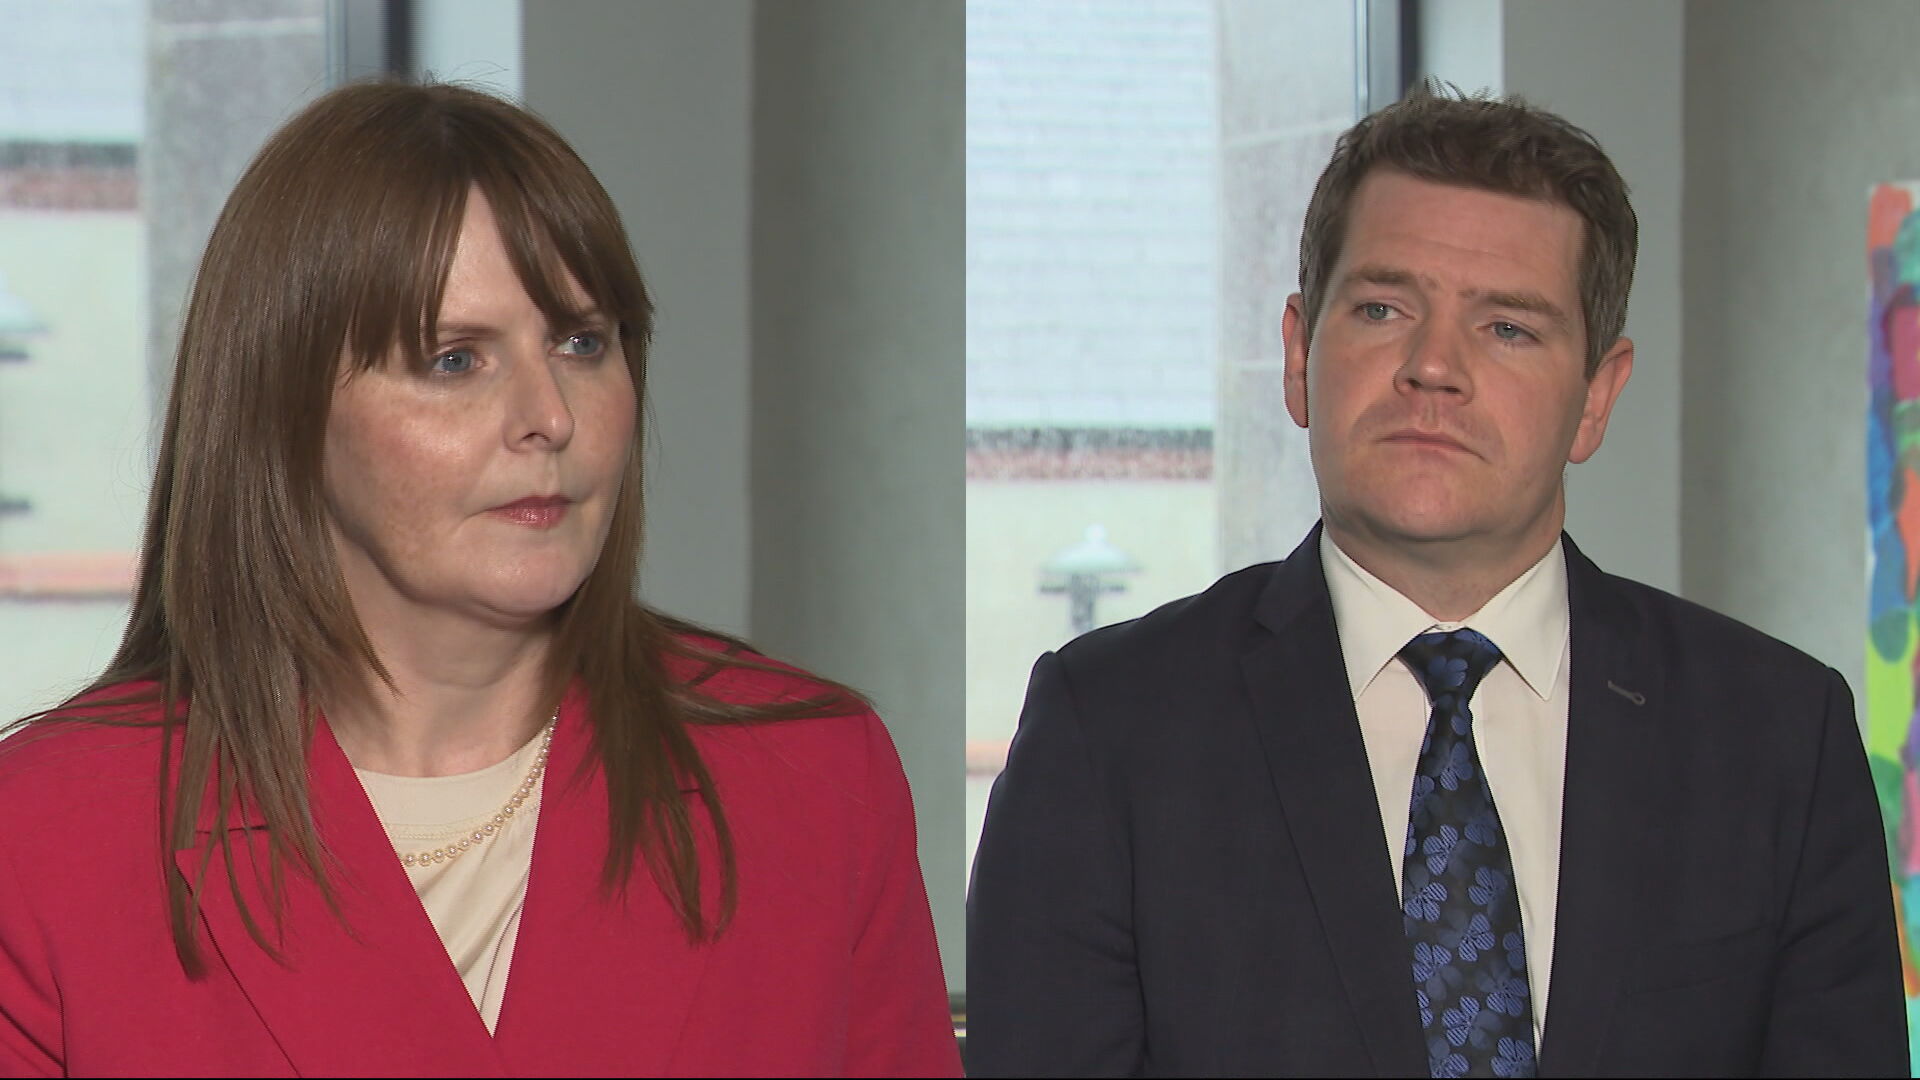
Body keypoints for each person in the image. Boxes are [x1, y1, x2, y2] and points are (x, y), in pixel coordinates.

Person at [0, 82, 959, 1078]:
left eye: (582, 343)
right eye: (456, 360)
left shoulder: (816, 781)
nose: (550, 415)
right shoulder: (43, 843)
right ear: (280, 412)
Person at [967, 83, 1906, 1077]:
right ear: (1299, 355)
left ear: (1597, 397)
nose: (1433, 367)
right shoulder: (1109, 729)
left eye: (1508, 328)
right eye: (1383, 309)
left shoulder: (1778, 736)